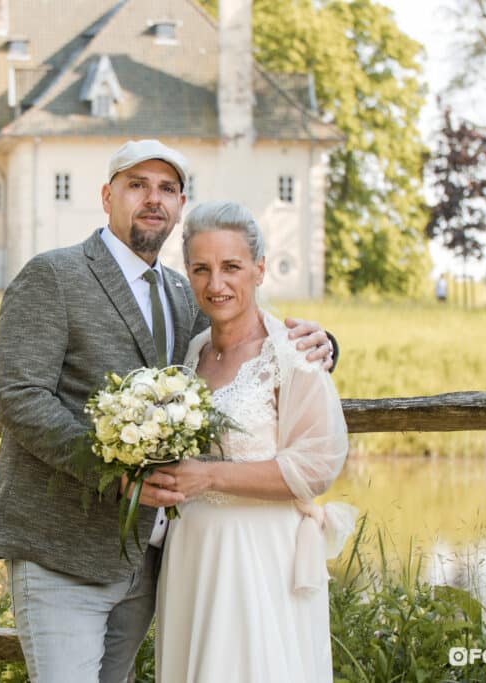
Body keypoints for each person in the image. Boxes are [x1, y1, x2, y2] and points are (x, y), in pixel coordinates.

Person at [0, 140, 336, 682]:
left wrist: (324, 341)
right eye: (137, 184)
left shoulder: (182, 292)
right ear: (107, 195)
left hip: (147, 559)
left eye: (167, 188)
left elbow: (247, 341)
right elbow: (17, 396)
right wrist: (115, 477)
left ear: (180, 203)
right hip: (60, 546)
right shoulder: (53, 275)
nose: (153, 199)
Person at [155, 201, 356, 682]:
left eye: (231, 267)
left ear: (260, 269)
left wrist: (207, 476)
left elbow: (316, 465)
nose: (215, 284)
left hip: (257, 557)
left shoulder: (295, 353)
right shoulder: (193, 352)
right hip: (192, 553)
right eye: (201, 269)